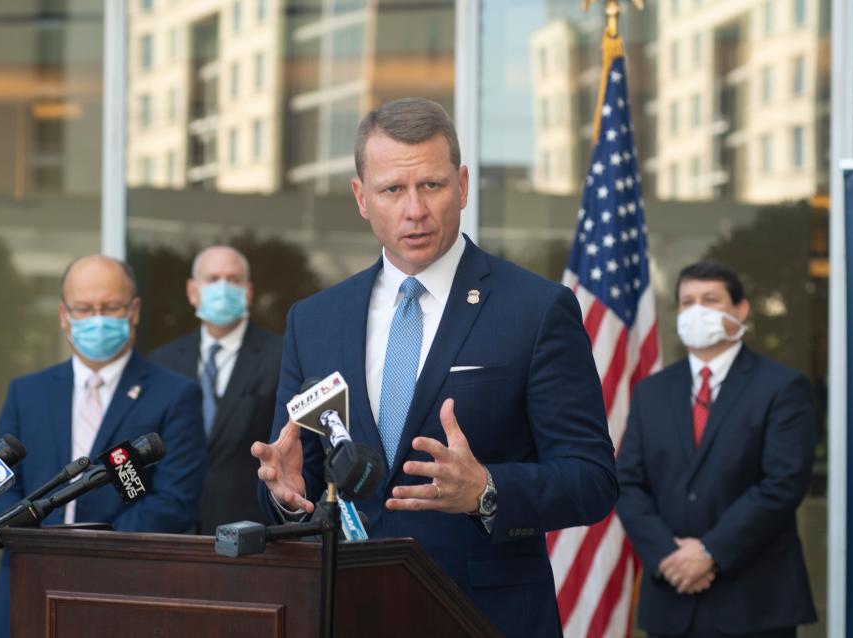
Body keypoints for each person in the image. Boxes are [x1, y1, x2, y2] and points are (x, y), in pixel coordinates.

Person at [250, 97, 618, 637]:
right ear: (361, 197)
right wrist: (283, 496)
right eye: (392, 190)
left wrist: (486, 490)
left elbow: (592, 479)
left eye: (431, 185)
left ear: (463, 186)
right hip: (348, 613)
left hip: (483, 618)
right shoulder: (315, 321)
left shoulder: (536, 310)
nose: (414, 210)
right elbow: (296, 474)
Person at [0, 255, 206, 638]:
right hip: (24, 583)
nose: (97, 318)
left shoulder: (175, 396)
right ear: (64, 315)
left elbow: (174, 501)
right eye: (84, 309)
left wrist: (96, 552)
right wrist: (37, 545)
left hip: (123, 588)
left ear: (134, 311)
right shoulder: (27, 392)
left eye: (110, 307)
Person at [617, 261, 817, 638]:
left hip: (755, 602)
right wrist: (667, 556)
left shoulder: (782, 387)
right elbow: (627, 483)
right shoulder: (651, 391)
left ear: (740, 310)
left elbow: (783, 483)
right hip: (671, 596)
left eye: (710, 299)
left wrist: (708, 552)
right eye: (687, 301)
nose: (697, 311)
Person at [150, 245, 283, 534]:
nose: (223, 287)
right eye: (212, 279)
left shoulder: (281, 357)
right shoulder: (163, 361)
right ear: (192, 291)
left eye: (233, 280)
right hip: (171, 530)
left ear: (248, 291)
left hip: (247, 532)